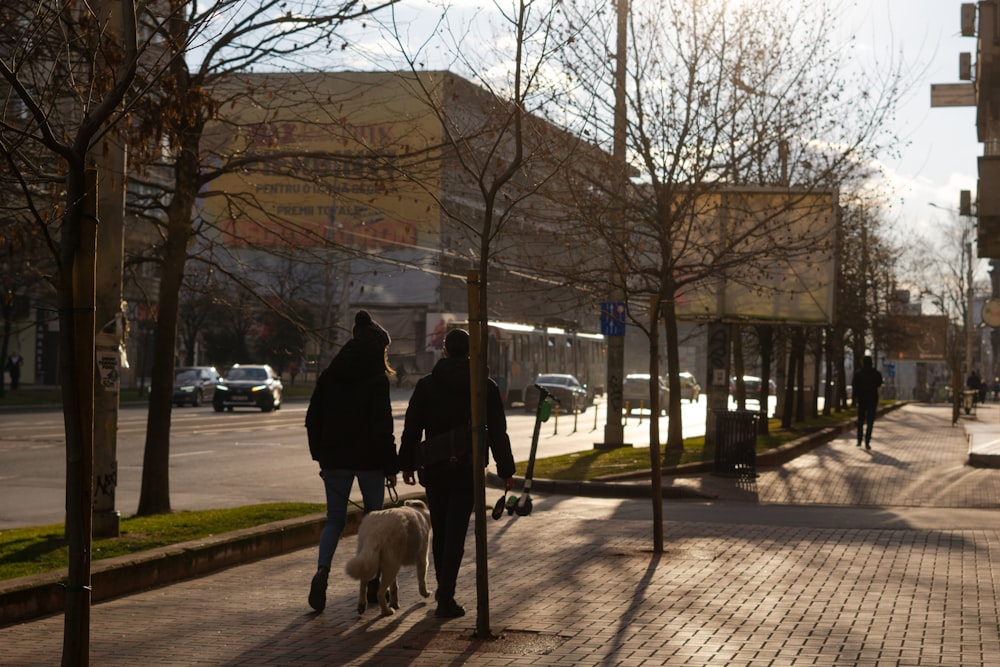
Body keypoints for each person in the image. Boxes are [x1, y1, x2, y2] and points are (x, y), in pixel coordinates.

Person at [398, 328, 515, 618]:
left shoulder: (427, 385)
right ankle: (446, 594)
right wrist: (505, 469)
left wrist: (407, 464)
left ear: (445, 351)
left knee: (440, 529)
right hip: (467, 468)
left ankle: (444, 589)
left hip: (435, 467)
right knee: (457, 532)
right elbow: (497, 431)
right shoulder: (483, 387)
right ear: (471, 352)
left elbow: (412, 427)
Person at [304, 310, 398, 612]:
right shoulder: (376, 380)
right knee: (374, 521)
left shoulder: (330, 376)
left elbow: (312, 419)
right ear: (377, 349)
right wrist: (391, 466)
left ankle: (322, 571)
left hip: (334, 459)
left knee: (334, 519)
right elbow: (383, 428)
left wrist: (320, 455)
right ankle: (373, 584)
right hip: (370, 461)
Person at [852, 355, 883, 450]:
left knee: (860, 421)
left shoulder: (858, 373)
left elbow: (854, 385)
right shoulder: (876, 373)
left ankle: (859, 439)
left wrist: (856, 397)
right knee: (870, 421)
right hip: (872, 400)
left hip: (862, 400)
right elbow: (879, 383)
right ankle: (867, 441)